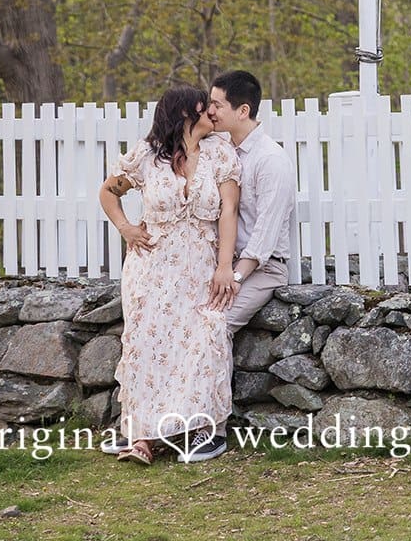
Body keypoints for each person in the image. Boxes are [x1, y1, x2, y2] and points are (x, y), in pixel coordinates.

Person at [98, 84, 240, 464]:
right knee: (148, 345)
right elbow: (108, 192)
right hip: (152, 270)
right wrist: (126, 227)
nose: (212, 113)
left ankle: (198, 429)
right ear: (183, 114)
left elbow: (228, 213)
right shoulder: (147, 156)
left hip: (200, 268)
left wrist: (225, 266)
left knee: (199, 339)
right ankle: (141, 437)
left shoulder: (220, 154)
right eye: (204, 108)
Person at [206, 70, 297, 336]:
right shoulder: (222, 151)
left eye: (217, 105)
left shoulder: (270, 160)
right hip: (223, 264)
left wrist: (234, 278)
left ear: (243, 110)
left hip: (262, 269)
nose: (210, 111)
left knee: (214, 326)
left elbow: (264, 236)